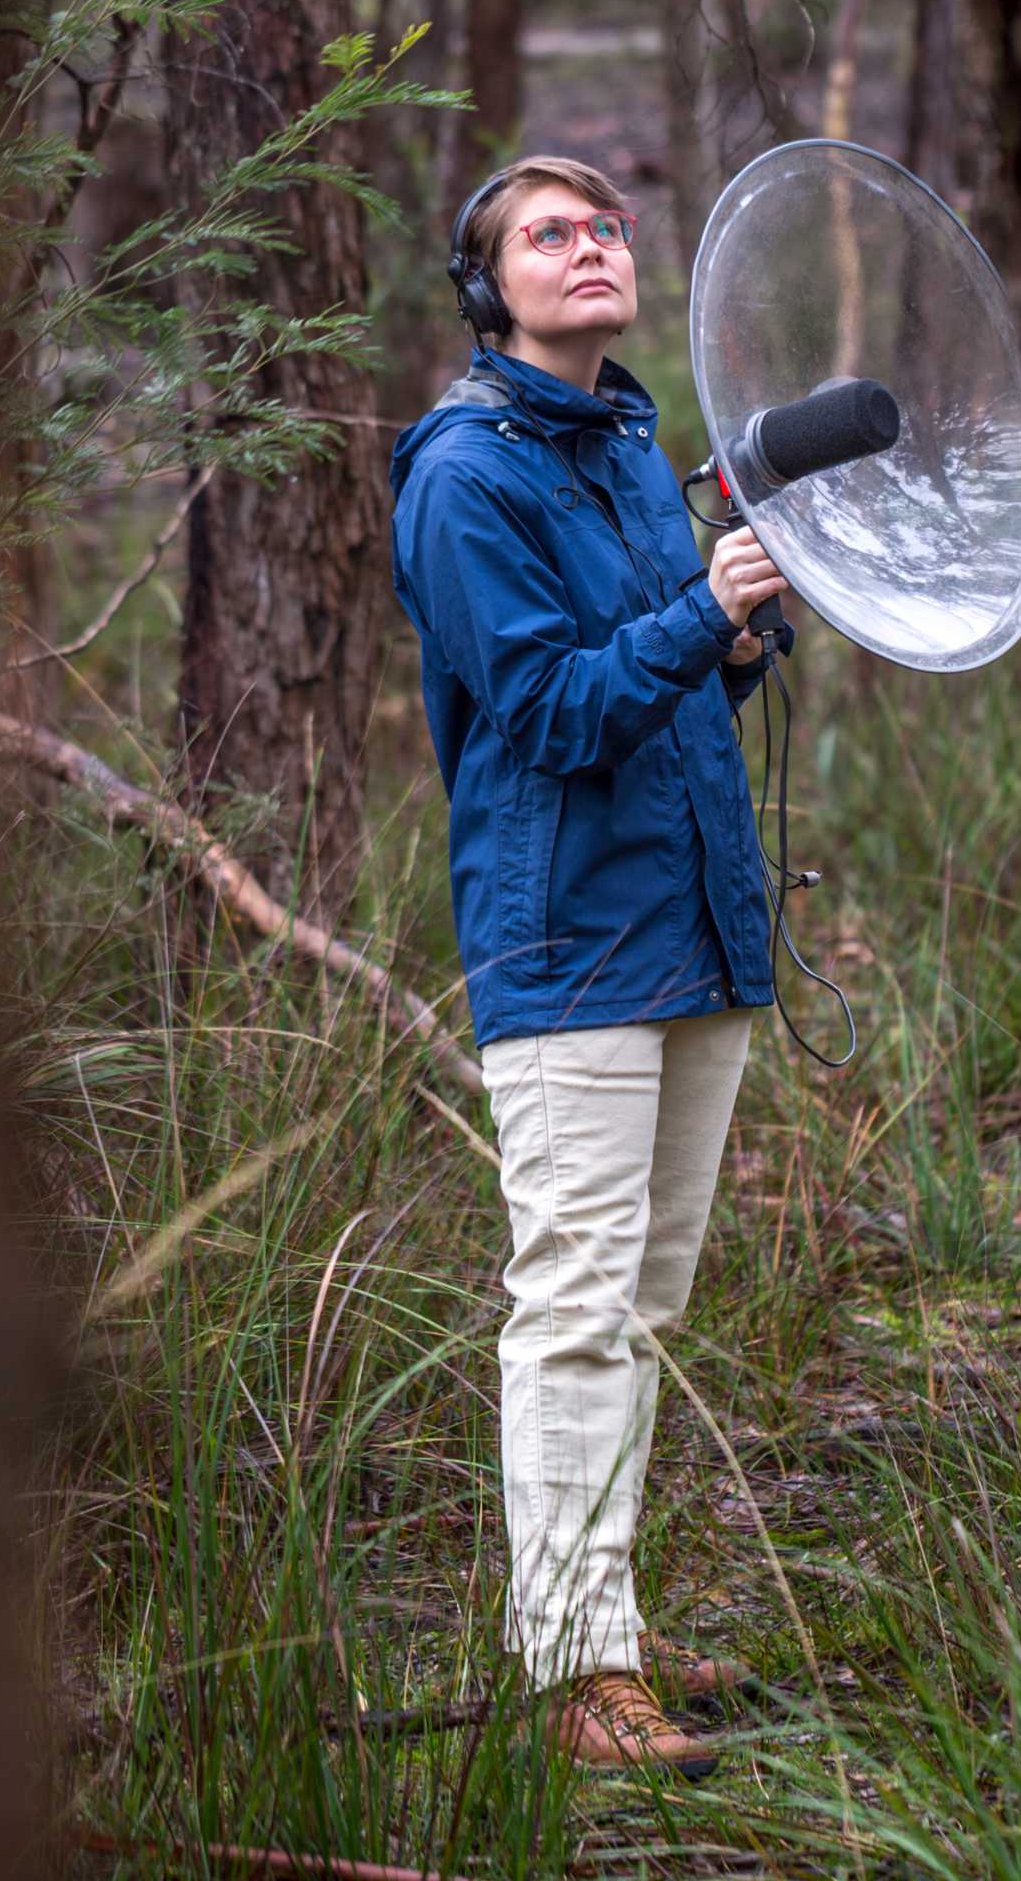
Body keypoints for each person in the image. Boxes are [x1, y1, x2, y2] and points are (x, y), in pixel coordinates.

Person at [386, 155, 791, 1779]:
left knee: (644, 1304)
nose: (591, 247)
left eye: (605, 227)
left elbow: (679, 685)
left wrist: (742, 633)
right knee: (569, 1306)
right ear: (489, 291)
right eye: (548, 235)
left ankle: (603, 1621)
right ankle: (568, 1669)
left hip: (696, 924)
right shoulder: (464, 477)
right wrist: (705, 615)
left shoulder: (631, 447)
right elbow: (547, 713)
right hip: (569, 948)